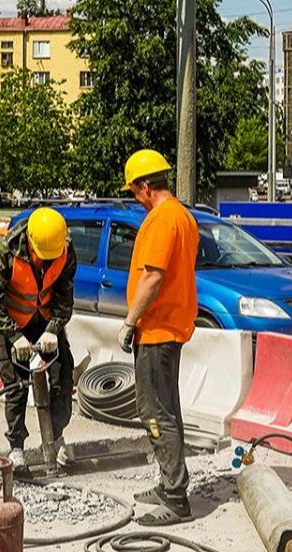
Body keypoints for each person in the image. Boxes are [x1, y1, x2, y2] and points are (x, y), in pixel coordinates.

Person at [116, 150, 200, 526]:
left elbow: (153, 276)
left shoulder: (161, 220)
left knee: (154, 412)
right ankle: (170, 483)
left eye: (134, 190)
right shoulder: (183, 217)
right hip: (172, 326)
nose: (135, 197)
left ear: (146, 186)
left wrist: (130, 321)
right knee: (168, 408)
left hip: (156, 329)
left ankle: (177, 496)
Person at [0, 206, 77, 475]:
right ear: (30, 242)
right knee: (16, 387)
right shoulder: (4, 252)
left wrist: (53, 329)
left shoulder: (65, 249)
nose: (45, 263)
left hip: (46, 322)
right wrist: (14, 336)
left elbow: (64, 297)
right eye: (40, 257)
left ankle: (57, 438)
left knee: (62, 380)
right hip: (13, 324)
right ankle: (17, 449)